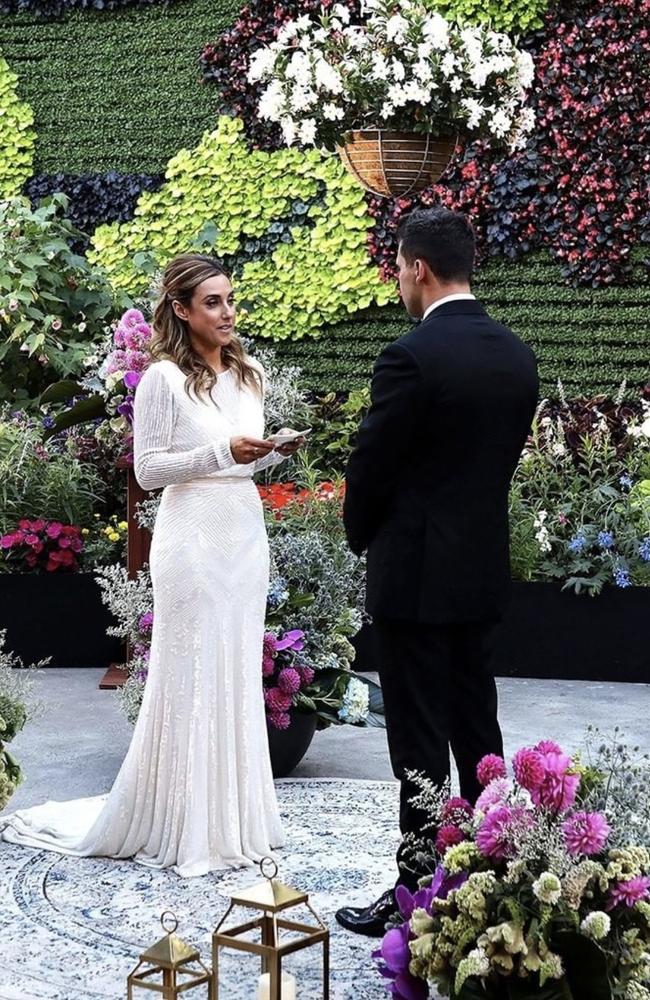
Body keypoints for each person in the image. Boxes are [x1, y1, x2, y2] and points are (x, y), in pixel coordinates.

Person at [0, 252, 305, 877]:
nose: (227, 312)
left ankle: (238, 819)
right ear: (182, 310)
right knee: (192, 670)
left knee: (237, 669)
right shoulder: (164, 379)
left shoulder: (251, 375)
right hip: (190, 537)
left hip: (243, 534)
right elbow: (149, 470)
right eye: (212, 302)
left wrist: (269, 452)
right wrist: (223, 448)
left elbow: (240, 462)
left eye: (229, 299)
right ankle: (186, 823)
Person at [335, 207, 539, 935]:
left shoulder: (410, 356)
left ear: (417, 268)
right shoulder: (517, 354)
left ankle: (421, 893)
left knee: (418, 742)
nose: (397, 282)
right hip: (479, 571)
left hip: (414, 578)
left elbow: (373, 464)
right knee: (478, 730)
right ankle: (495, 878)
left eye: (396, 269)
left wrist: (362, 536)